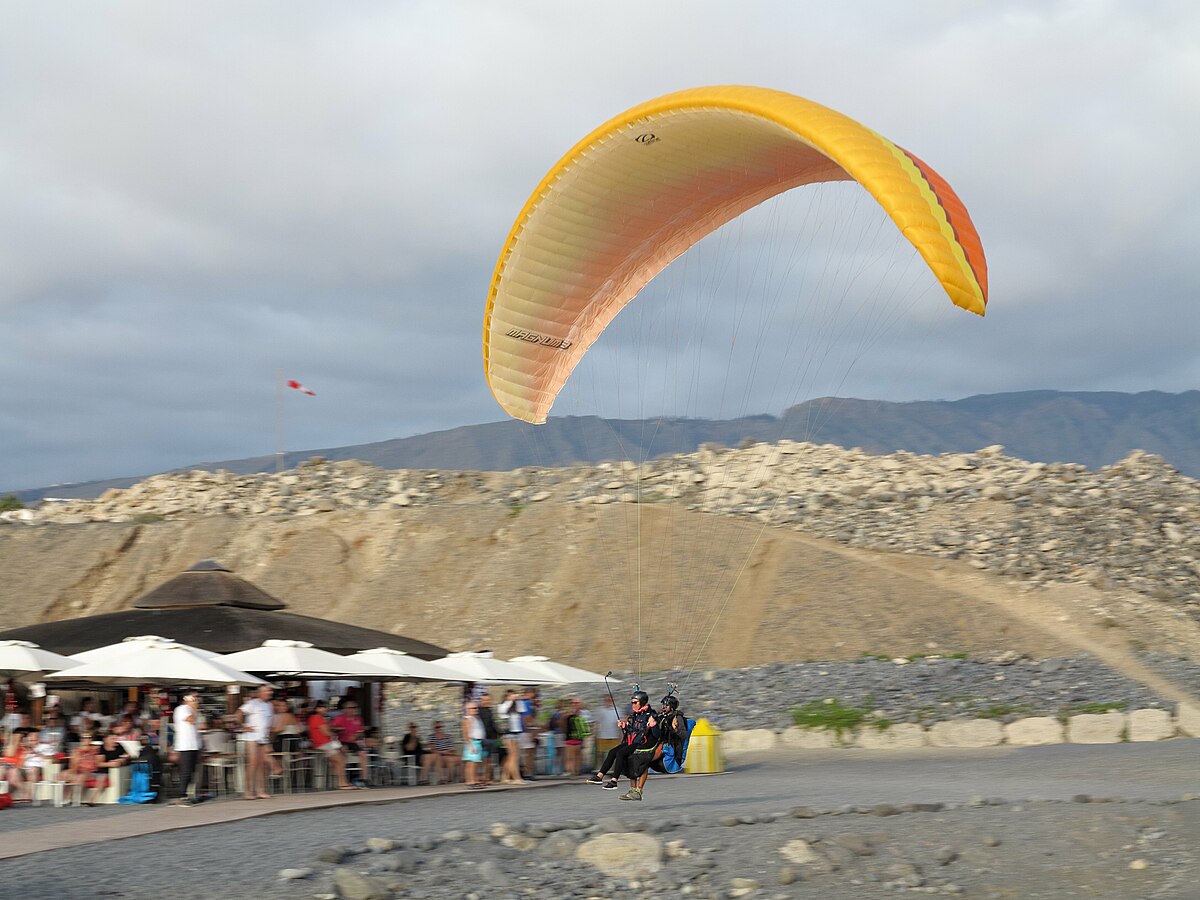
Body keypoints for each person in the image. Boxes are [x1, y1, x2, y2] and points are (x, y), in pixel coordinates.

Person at [236, 684, 275, 800]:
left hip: (263, 737)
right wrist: (243, 726)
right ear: (260, 692)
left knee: (262, 764)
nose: (270, 693)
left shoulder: (269, 705)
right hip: (252, 737)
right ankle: (248, 791)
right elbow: (238, 713)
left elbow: (268, 725)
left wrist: (268, 740)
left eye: (270, 691)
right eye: (267, 691)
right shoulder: (252, 703)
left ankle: (261, 790)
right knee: (252, 764)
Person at [306, 700, 354, 790]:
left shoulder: (315, 718)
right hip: (324, 743)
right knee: (340, 760)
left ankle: (342, 782)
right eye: (321, 707)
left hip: (324, 743)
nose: (324, 709)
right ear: (316, 709)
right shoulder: (317, 717)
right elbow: (326, 732)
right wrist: (334, 734)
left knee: (340, 758)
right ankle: (342, 783)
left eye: (324, 707)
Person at [171, 692, 202, 807]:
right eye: (194, 698)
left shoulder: (194, 711)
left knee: (191, 771)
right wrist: (194, 708)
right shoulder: (182, 709)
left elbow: (198, 728)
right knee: (185, 771)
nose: (197, 701)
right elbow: (191, 720)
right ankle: (181, 796)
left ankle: (188, 794)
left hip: (193, 745)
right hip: (185, 745)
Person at [330, 700, 369, 788]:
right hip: (342, 741)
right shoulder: (340, 718)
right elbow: (331, 727)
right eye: (351, 708)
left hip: (353, 742)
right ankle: (343, 779)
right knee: (342, 752)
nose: (353, 710)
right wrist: (339, 729)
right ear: (345, 709)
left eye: (355, 708)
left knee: (363, 755)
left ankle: (363, 779)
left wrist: (357, 735)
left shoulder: (358, 719)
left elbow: (361, 732)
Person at [497, 690, 527, 785]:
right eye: (511, 695)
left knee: (512, 756)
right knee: (513, 756)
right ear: (506, 696)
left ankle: (505, 777)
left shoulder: (517, 704)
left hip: (516, 732)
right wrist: (510, 701)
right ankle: (516, 778)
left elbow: (522, 710)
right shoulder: (503, 705)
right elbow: (503, 712)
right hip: (508, 732)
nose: (513, 696)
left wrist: (518, 700)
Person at [461, 701, 486, 788]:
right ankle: (471, 781)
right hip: (472, 742)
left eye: (476, 708)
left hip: (477, 742)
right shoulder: (467, 719)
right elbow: (466, 734)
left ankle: (475, 780)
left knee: (476, 763)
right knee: (471, 763)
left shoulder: (475, 718)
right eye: (473, 708)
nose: (475, 710)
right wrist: (470, 745)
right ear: (467, 709)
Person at [477, 692, 499, 785]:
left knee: (489, 759)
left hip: (491, 738)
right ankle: (481, 778)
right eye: (485, 700)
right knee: (482, 759)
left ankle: (487, 777)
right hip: (482, 738)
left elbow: (492, 725)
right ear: (481, 701)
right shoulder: (479, 711)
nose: (487, 702)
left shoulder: (490, 711)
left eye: (489, 700)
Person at [563, 698, 590, 776]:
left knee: (578, 756)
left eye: (577, 703)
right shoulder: (568, 713)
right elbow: (563, 723)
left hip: (580, 737)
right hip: (569, 736)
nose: (575, 704)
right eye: (573, 703)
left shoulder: (584, 713)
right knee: (570, 756)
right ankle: (571, 772)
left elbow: (587, 725)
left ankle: (576, 772)